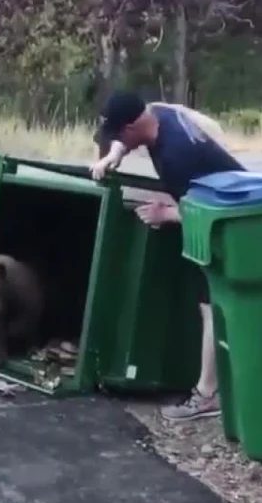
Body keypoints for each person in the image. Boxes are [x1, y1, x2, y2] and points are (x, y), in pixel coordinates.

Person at [90, 91, 245, 422]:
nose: (119, 142)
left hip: (238, 219)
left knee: (214, 307)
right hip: (225, 205)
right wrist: (112, 156)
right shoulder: (159, 114)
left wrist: (168, 214)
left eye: (119, 136)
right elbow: (130, 133)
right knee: (210, 304)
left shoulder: (177, 157)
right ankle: (215, 388)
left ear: (132, 127)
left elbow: (214, 210)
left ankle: (207, 396)